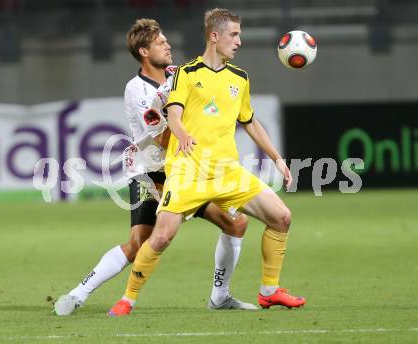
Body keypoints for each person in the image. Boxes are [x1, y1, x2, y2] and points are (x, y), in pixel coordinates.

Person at [107, 8, 306, 317]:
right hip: (188, 169)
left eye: (239, 35)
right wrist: (183, 133)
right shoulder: (186, 73)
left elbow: (250, 122)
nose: (239, 41)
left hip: (227, 171)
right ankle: (127, 299)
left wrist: (277, 158)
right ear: (215, 36)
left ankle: (269, 290)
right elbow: (172, 113)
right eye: (234, 35)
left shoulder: (239, 78)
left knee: (281, 217)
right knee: (161, 236)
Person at [53, 18, 256, 316]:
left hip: (188, 169)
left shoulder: (179, 75)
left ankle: (220, 296)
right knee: (139, 244)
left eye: (166, 41)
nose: (168, 45)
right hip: (153, 173)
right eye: (161, 43)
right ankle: (78, 294)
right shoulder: (137, 90)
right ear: (144, 52)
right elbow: (162, 137)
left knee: (236, 223)